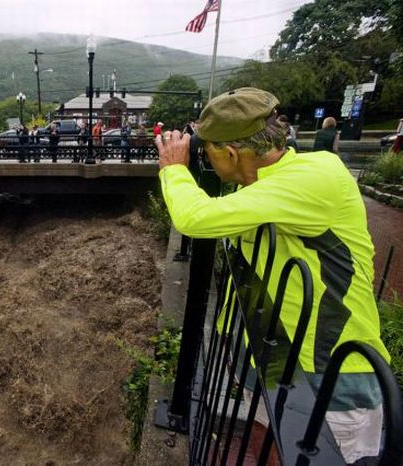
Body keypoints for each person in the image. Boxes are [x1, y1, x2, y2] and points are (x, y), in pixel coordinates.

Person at [155, 87, 389, 465]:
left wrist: (175, 169)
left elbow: (194, 219)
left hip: (329, 373)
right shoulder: (261, 184)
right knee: (271, 441)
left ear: (230, 154)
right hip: (268, 353)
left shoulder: (314, 178)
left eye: (208, 148)